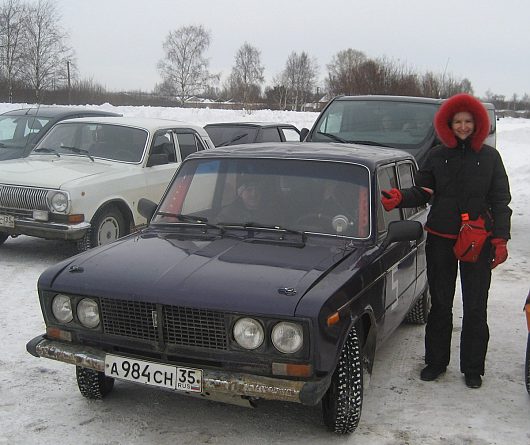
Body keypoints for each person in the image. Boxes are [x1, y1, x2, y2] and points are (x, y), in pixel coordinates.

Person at [381, 93, 512, 389]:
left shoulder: (490, 158)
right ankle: (436, 362)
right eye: (457, 122)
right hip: (441, 240)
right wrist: (401, 197)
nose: (463, 126)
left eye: (468, 121)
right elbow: (423, 192)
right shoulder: (437, 156)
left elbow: (501, 200)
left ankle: (473, 368)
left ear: (477, 124)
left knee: (476, 306)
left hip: (479, 241)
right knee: (440, 304)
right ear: (448, 124)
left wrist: (501, 238)